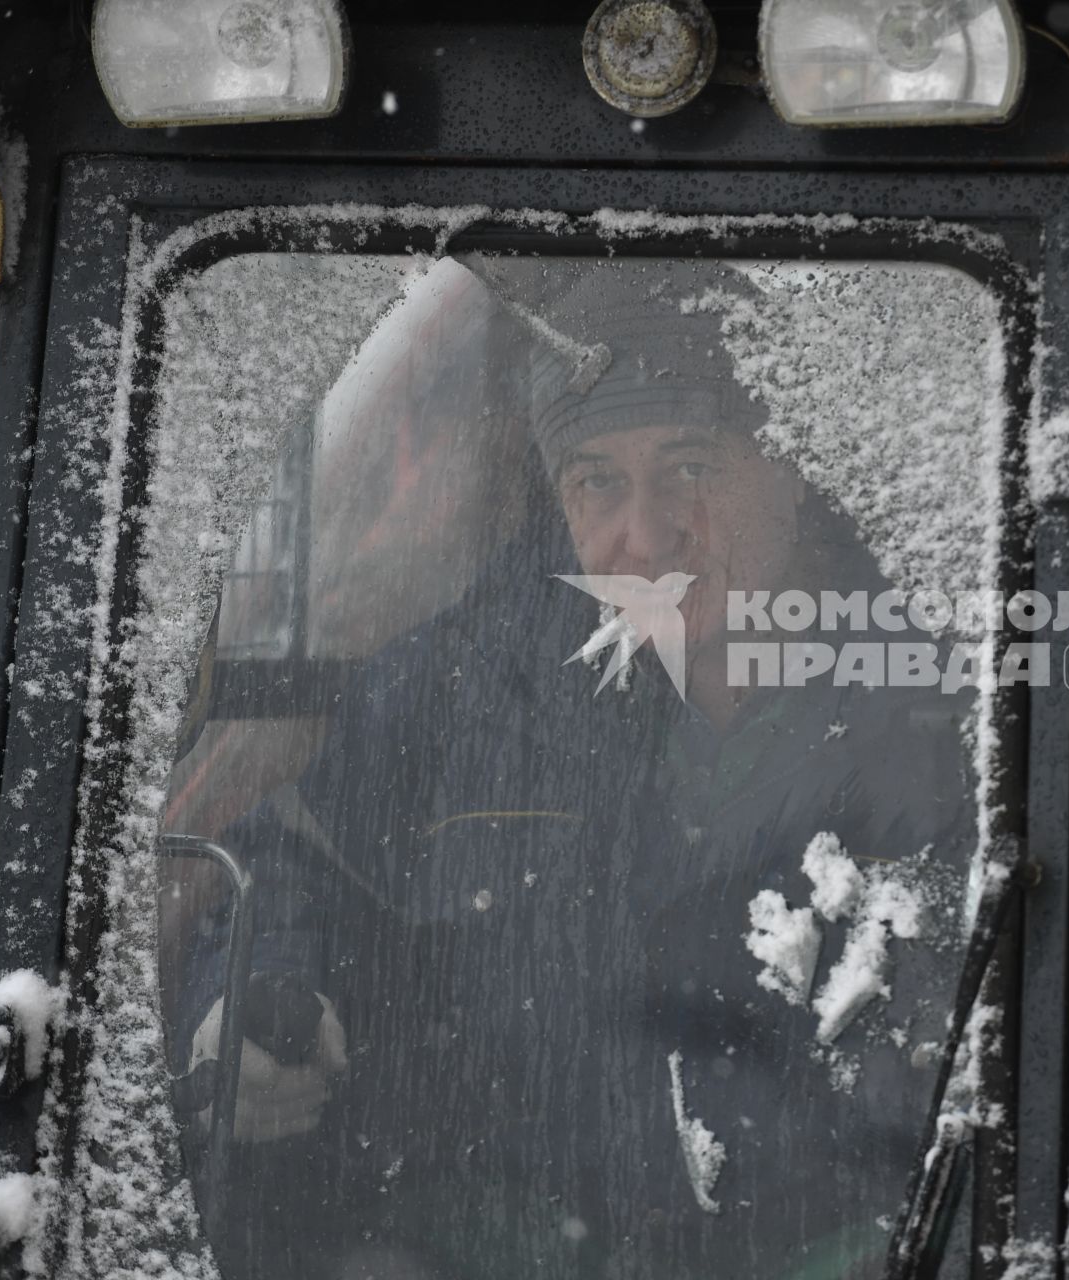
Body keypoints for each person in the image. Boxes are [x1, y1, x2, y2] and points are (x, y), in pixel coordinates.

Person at [163, 259, 982, 1279]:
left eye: (691, 465)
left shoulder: (949, 705)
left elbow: (968, 1114)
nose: (642, 537)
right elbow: (285, 850)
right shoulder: (490, 677)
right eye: (597, 480)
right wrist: (264, 986)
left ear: (791, 467)